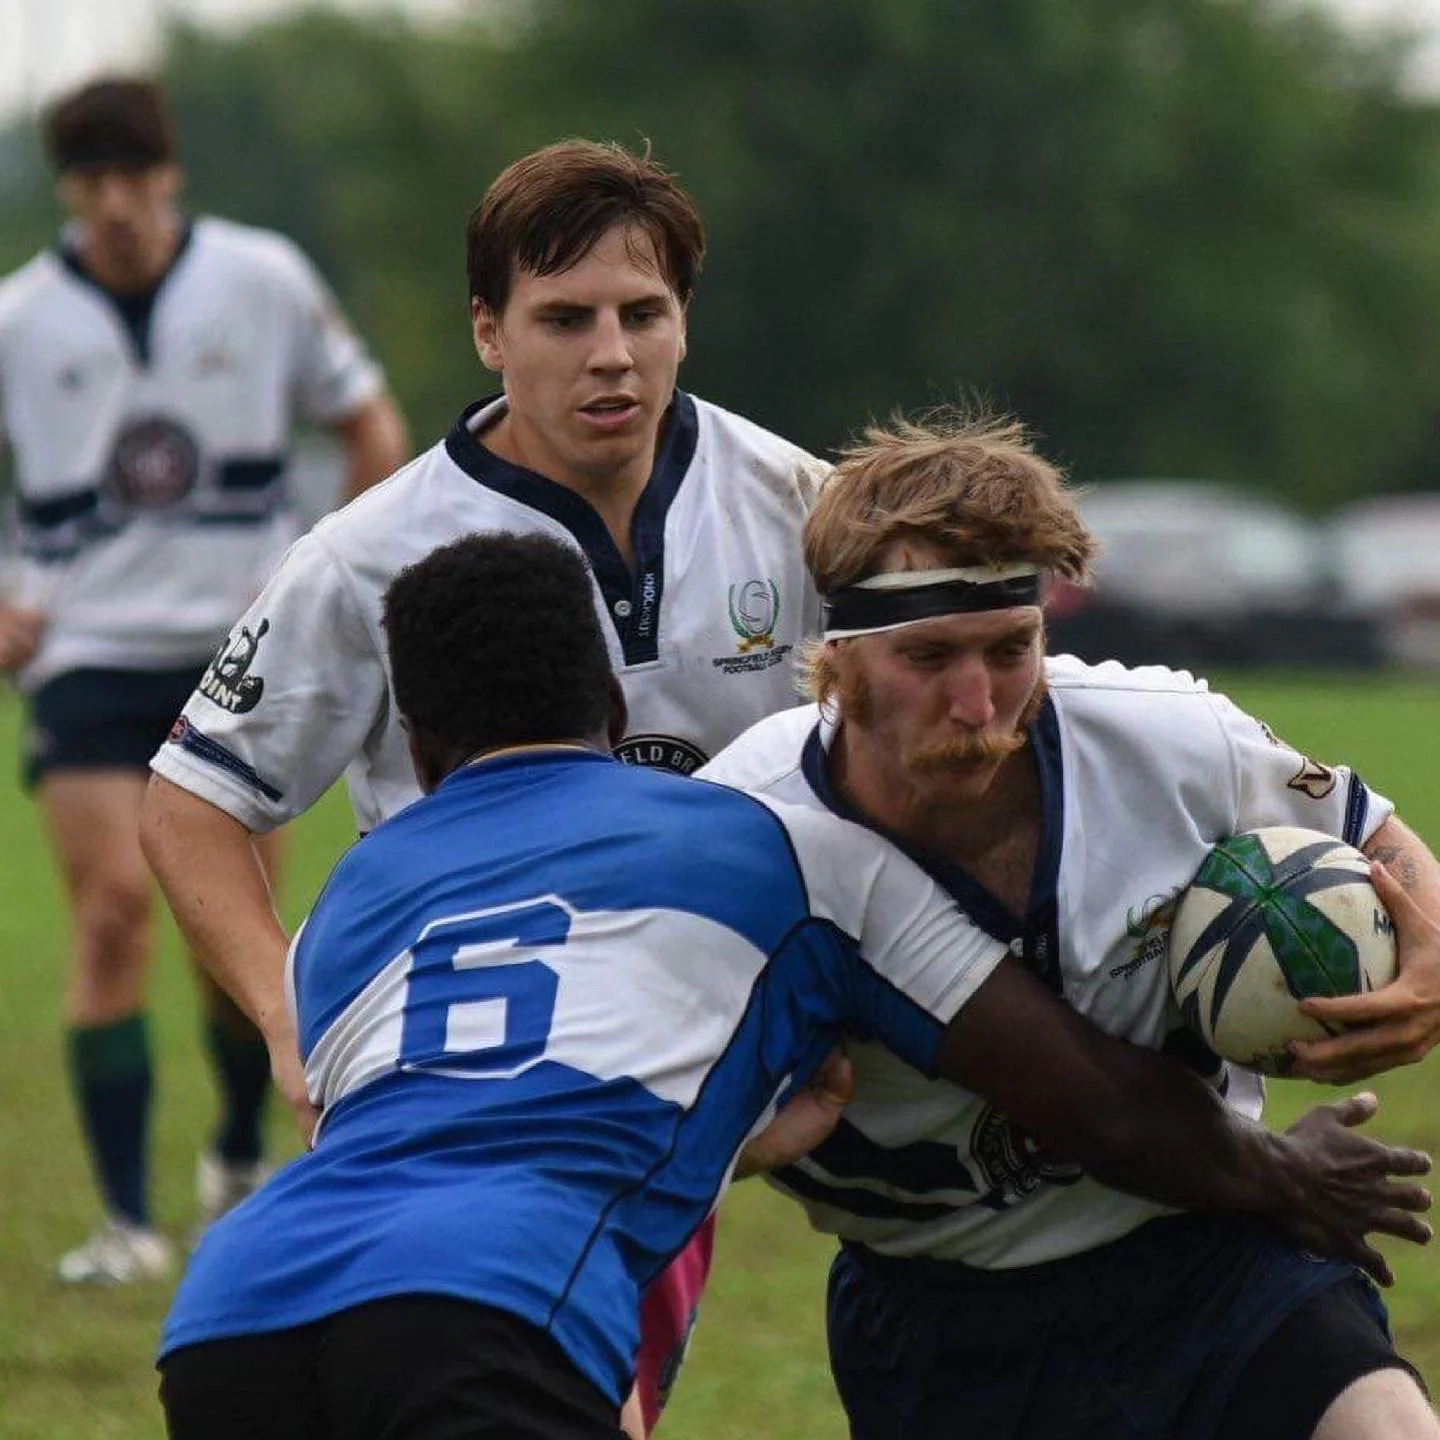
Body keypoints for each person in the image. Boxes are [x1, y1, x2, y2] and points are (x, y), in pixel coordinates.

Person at [157, 530, 1432, 1440]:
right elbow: (1090, 1099)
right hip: (494, 1305)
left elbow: (477, 1105)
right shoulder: (776, 844)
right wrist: (1291, 1179)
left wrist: (741, 1140)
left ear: (420, 750)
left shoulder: (345, 913)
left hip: (235, 1303)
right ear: (613, 703)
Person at [139, 136, 826, 1430]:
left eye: (644, 314)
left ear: (686, 320)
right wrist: (288, 1020)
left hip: (689, 1056)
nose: (610, 353)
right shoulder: (367, 556)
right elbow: (192, 801)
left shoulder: (800, 504)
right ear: (487, 333)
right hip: (480, 1088)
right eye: (563, 319)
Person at [697, 410, 1440, 1440]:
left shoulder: (1166, 739)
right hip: (935, 1312)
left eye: (1011, 650)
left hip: (1213, 1242)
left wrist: (1433, 956)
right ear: (840, 657)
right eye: (930, 656)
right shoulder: (741, 829)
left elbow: (1373, 831)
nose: (977, 703)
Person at [0, 76, 409, 1284]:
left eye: (136, 177)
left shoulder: (265, 279)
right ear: (66, 190)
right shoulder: (20, 317)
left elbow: (371, 429)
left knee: (226, 943)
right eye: (91, 184)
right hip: (86, 652)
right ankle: (126, 1223)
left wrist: (320, 579)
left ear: (171, 172)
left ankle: (234, 1148)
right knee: (113, 912)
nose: (116, 205)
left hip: (238, 657)